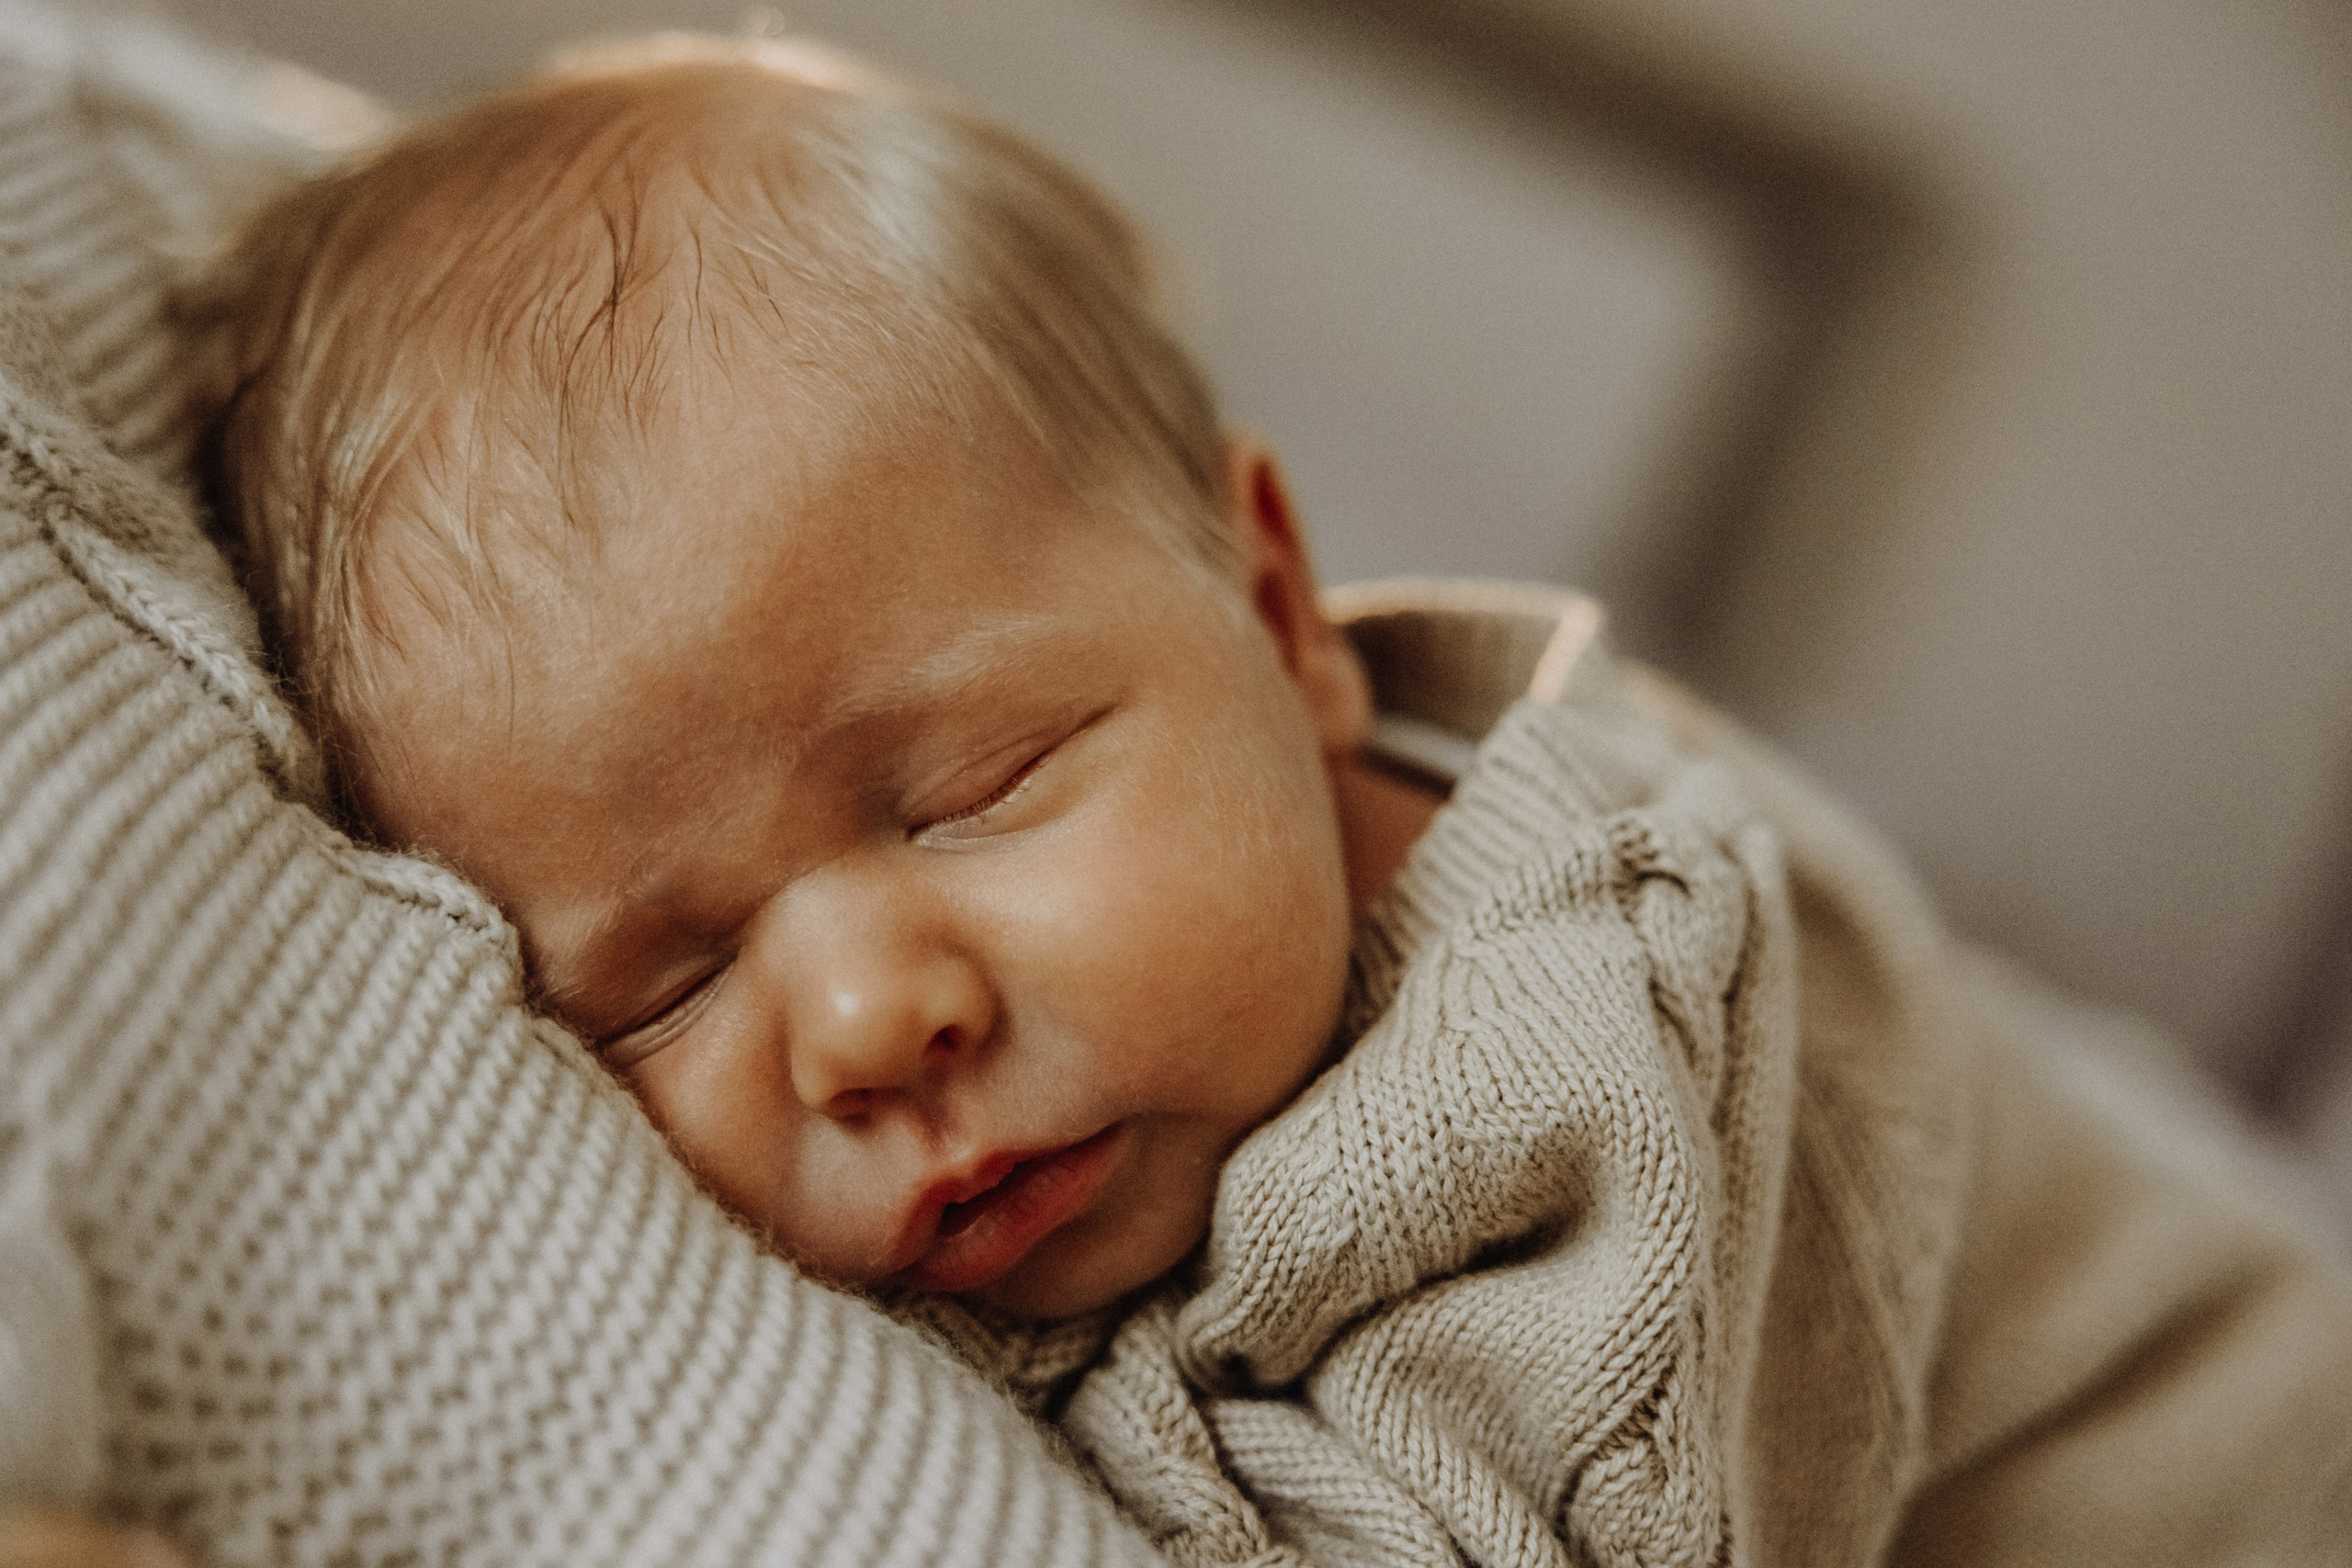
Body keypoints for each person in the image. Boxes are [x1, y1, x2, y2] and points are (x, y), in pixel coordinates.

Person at [156, 31, 2352, 1565]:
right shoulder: (1179, 997)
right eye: (663, 982)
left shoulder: (1592, 1044)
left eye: (973, 789)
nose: (864, 1017)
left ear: (1282, 610)